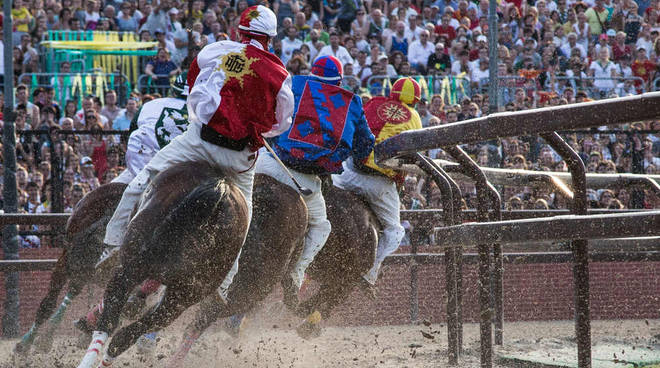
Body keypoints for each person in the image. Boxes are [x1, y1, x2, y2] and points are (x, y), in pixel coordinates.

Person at [88, 6, 294, 365]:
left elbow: (195, 90)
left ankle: (112, 246)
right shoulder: (280, 74)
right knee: (241, 223)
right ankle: (226, 281)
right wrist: (256, 130)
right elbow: (280, 122)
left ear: (239, 29)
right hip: (239, 159)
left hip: (198, 142)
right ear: (271, 38)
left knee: (140, 183)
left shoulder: (216, 50)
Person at [259, 55, 375, 301]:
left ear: (311, 74)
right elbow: (365, 147)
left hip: (269, 162)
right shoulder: (352, 102)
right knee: (322, 227)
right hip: (305, 180)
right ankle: (296, 271)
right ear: (340, 81)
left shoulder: (292, 83)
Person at [332, 77, 423, 295]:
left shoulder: (373, 102)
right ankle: (370, 274)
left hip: (349, 173)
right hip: (379, 185)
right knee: (395, 232)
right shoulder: (415, 118)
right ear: (415, 101)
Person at [112, 72, 190, 185]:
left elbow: (132, 131)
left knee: (115, 188)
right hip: (174, 166)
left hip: (140, 159)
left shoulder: (150, 104)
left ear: (173, 90)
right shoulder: (202, 114)